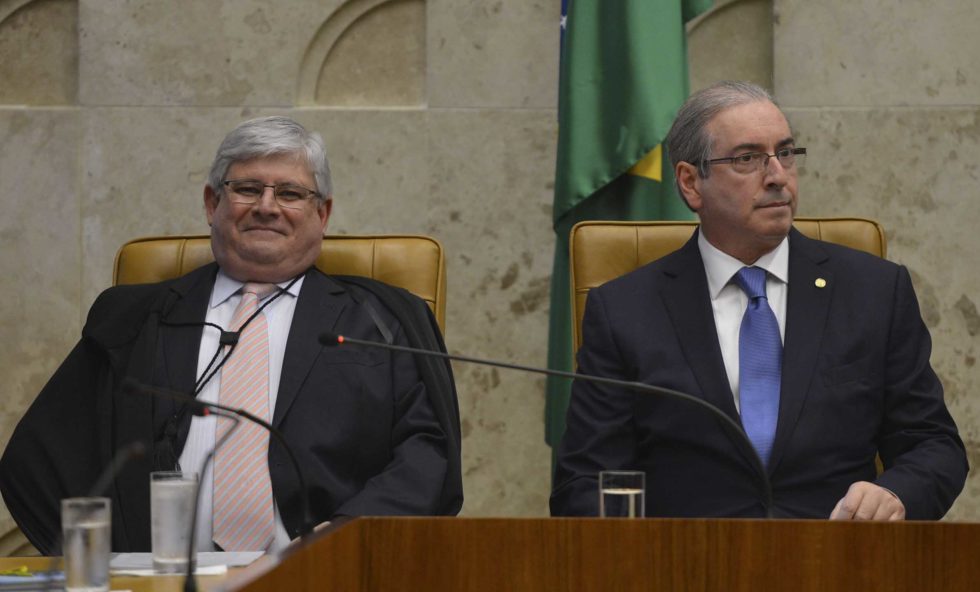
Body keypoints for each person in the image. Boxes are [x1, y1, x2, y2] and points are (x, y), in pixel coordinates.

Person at [1, 116, 462, 554]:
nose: (266, 206)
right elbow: (38, 460)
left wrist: (345, 541)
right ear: (211, 203)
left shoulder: (384, 318)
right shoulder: (137, 318)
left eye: (290, 193)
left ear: (322, 214)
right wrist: (106, 562)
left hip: (324, 574)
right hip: (161, 579)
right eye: (246, 189)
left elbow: (428, 453)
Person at [551, 81, 967, 520]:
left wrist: (897, 494)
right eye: (747, 158)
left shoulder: (874, 292)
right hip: (688, 570)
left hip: (837, 566)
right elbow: (584, 483)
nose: (776, 176)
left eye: (785, 153)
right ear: (691, 183)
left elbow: (934, 445)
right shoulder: (625, 312)